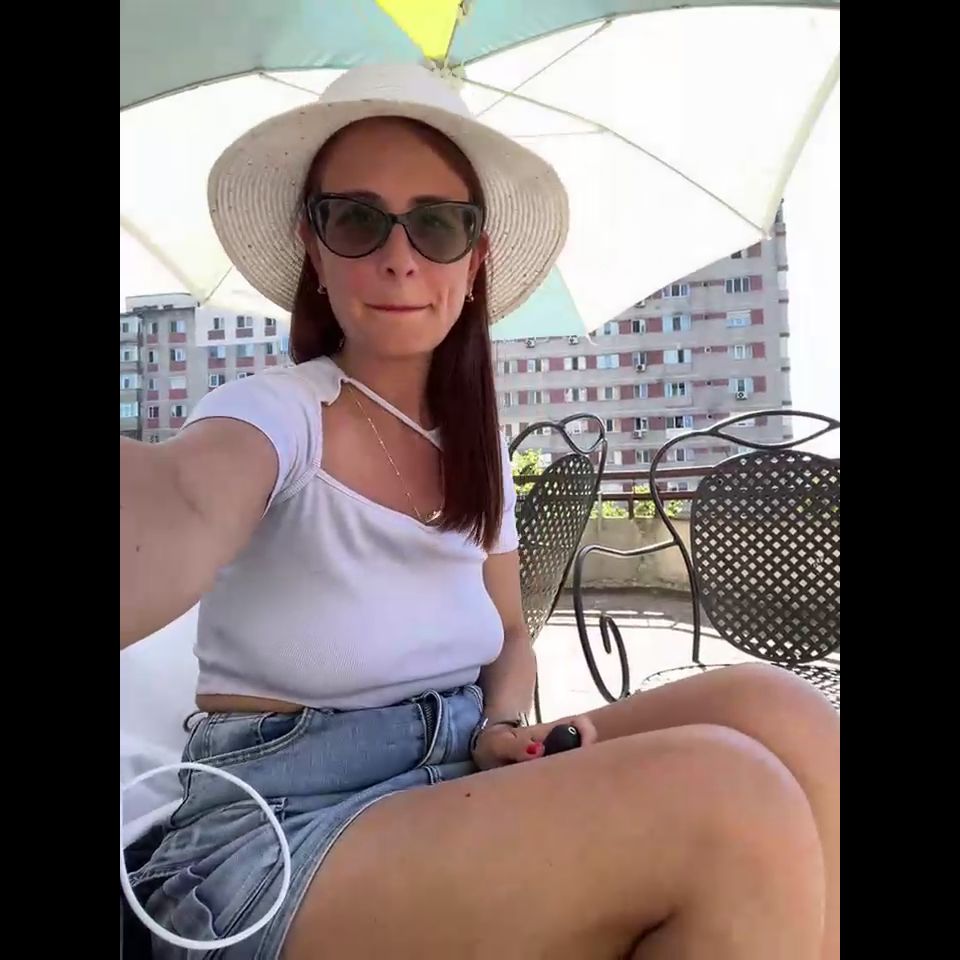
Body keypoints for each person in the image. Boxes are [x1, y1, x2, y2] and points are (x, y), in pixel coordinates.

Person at [120, 63, 839, 959]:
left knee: (785, 715)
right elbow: (182, 502)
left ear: (474, 259)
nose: (399, 256)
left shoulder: (475, 449)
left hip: (451, 768)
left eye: (436, 224)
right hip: (271, 837)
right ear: (315, 249)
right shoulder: (276, 411)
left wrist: (502, 724)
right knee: (729, 804)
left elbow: (509, 631)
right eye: (357, 220)